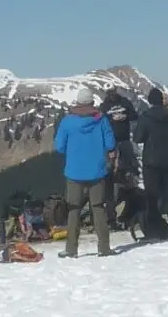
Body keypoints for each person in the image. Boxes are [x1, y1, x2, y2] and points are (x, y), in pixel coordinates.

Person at [53, 87, 117, 258]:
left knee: (74, 209)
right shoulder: (101, 119)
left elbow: (59, 146)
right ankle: (104, 247)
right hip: (97, 170)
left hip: (74, 171)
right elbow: (110, 142)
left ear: (78, 102)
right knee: (98, 208)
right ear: (91, 102)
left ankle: (71, 249)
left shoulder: (68, 121)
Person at [133, 87, 168, 236]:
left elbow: (137, 138)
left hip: (151, 160)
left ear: (149, 101)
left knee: (152, 194)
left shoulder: (146, 117)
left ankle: (154, 224)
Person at [99, 85, 139, 176]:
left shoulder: (124, 102)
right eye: (109, 93)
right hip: (111, 141)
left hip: (125, 139)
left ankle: (128, 185)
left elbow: (135, 115)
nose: (111, 95)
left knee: (128, 165)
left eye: (112, 92)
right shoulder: (104, 106)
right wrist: (112, 120)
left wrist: (125, 117)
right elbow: (100, 121)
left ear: (115, 91)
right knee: (110, 167)